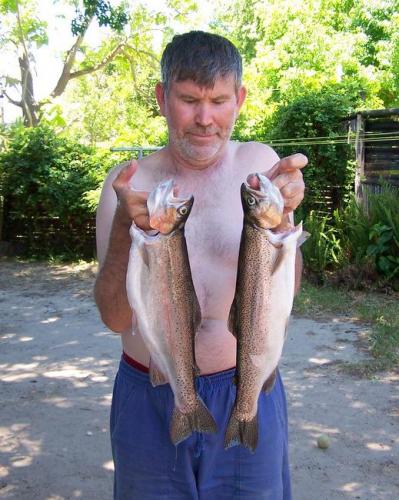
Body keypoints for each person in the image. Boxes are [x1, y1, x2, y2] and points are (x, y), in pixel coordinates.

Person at [94, 31, 306, 500]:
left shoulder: (261, 168)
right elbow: (114, 318)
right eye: (189, 100)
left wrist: (284, 216)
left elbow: (289, 290)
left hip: (247, 388)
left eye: (219, 100)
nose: (205, 119)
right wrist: (124, 234)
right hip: (150, 394)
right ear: (162, 98)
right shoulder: (128, 183)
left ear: (240, 100)